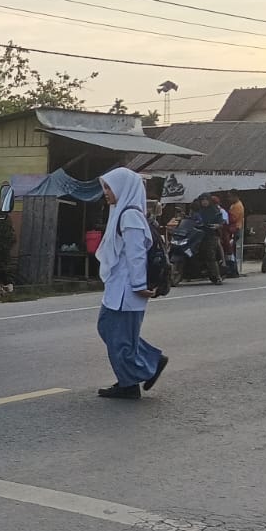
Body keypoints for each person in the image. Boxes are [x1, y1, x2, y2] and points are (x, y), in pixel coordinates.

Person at [95, 167, 167, 399]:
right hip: (118, 288)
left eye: (109, 187)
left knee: (120, 337)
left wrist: (139, 286)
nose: (106, 192)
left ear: (123, 188)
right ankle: (149, 362)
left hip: (129, 290)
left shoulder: (130, 216)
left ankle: (130, 382)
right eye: (104, 187)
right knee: (109, 329)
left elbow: (136, 255)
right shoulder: (122, 212)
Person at [191, 194, 225, 284]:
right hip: (197, 235)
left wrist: (216, 225)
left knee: (210, 255)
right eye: (202, 200)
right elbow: (191, 220)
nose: (204, 202)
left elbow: (221, 222)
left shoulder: (214, 210)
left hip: (210, 235)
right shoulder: (198, 211)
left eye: (206, 200)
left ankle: (217, 276)